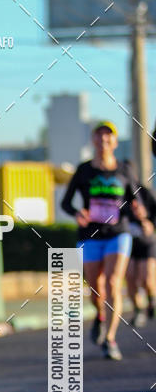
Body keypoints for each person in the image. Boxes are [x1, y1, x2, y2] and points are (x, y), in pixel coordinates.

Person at [61, 121, 138, 360]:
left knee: (114, 283)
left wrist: (138, 211)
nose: (104, 140)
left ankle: (111, 339)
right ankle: (100, 315)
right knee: (96, 290)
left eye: (109, 136)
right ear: (93, 140)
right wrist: (77, 214)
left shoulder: (124, 170)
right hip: (90, 235)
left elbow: (134, 200)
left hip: (118, 234)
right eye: (99, 135)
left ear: (114, 142)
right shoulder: (84, 170)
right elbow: (66, 202)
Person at [123, 167, 156, 328]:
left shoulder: (145, 193)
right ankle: (137, 310)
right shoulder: (118, 194)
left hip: (146, 241)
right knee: (129, 276)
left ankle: (151, 299)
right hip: (127, 241)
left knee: (147, 278)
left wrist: (149, 223)